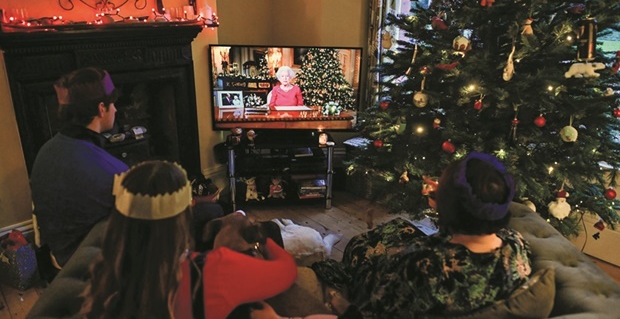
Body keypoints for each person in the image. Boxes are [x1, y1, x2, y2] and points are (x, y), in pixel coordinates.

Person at [311, 152, 532, 318]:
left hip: (384, 286)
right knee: (397, 227)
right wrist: (447, 199)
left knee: (360, 246)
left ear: (452, 207)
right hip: (448, 252)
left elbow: (380, 313)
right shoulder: (515, 243)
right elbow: (464, 226)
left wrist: (345, 308)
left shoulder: (424, 267)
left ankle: (345, 280)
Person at [80, 160, 298, 319]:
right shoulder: (214, 270)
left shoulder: (104, 275)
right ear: (183, 217)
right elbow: (286, 271)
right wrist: (258, 234)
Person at [30, 67, 129, 268]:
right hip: (91, 264)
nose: (116, 110)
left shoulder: (46, 150)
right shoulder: (114, 172)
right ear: (102, 108)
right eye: (113, 105)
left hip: (59, 252)